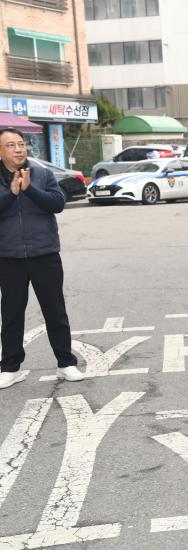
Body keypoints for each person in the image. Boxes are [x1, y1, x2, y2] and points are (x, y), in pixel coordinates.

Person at [0, 127, 84, 389]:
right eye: (11, 145)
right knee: (11, 313)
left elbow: (57, 203)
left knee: (55, 310)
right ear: (1, 151)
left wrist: (29, 190)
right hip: (9, 256)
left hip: (44, 254)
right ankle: (10, 367)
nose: (18, 149)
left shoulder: (42, 173)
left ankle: (66, 363)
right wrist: (12, 193)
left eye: (21, 143)